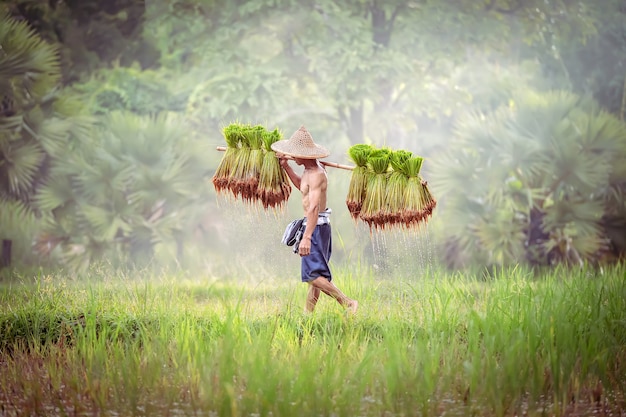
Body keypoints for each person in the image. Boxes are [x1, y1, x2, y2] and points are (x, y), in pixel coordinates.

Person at [272, 126, 358, 314]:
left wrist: (307, 237)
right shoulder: (309, 170)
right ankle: (307, 316)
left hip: (316, 228)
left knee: (311, 275)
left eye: (295, 155)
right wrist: (286, 166)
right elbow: (301, 187)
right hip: (317, 226)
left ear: (306, 155)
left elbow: (313, 207)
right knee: (316, 277)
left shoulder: (317, 174)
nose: (292, 156)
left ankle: (348, 303)